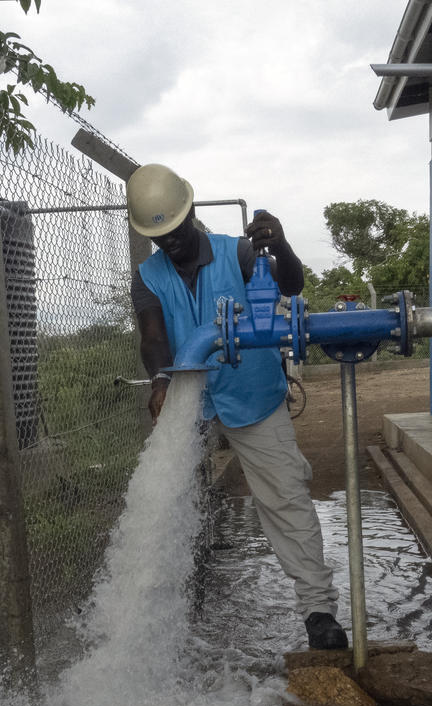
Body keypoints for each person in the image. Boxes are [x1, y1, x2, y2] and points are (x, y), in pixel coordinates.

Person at [125, 163, 348, 650]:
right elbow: (154, 338)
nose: (171, 243)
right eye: (159, 236)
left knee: (285, 494)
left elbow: (289, 287)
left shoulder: (239, 253)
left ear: (190, 213)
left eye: (175, 230)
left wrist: (282, 246)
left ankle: (318, 610)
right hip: (189, 398)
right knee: (161, 496)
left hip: (253, 393)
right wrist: (163, 380)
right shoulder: (147, 277)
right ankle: (147, 609)